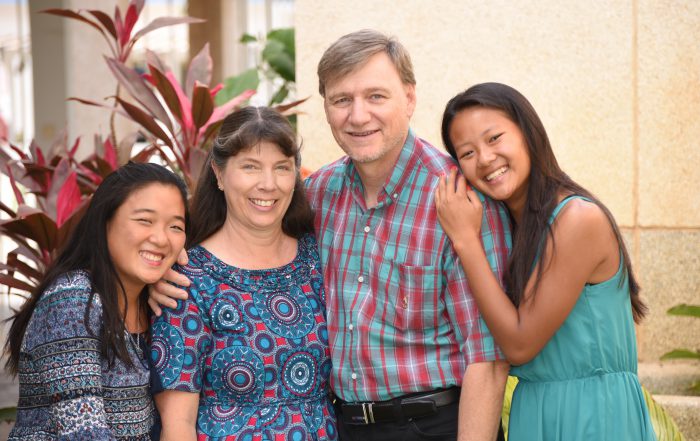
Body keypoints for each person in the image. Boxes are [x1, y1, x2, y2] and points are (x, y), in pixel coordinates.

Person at [150, 30, 511, 441]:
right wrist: (162, 272)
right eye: (342, 100)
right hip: (345, 427)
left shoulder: (458, 200)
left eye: (376, 96)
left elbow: (488, 358)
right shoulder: (317, 196)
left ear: (409, 98)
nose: (358, 116)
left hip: (435, 425)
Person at [435, 82, 656, 441]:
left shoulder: (577, 219)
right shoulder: (515, 228)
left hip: (593, 416)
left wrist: (465, 241)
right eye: (467, 152)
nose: (486, 159)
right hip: (536, 411)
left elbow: (520, 344)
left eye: (494, 139)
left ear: (528, 132)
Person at [150, 106, 336, 440]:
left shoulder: (316, 257)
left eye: (282, 168)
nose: (268, 184)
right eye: (250, 167)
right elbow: (177, 423)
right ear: (219, 174)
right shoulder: (188, 279)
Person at [4, 162, 188, 440]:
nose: (161, 238)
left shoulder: (151, 302)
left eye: (175, 226)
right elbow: (83, 430)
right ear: (105, 221)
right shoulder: (73, 297)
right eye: (144, 220)